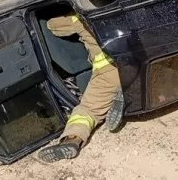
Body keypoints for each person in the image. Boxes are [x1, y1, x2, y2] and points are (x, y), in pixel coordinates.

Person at [37, 12, 125, 162]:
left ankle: (72, 140)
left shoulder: (81, 18)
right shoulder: (121, 10)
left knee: (88, 110)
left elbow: (52, 26)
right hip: (140, 59)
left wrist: (65, 14)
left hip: (109, 69)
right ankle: (128, 95)